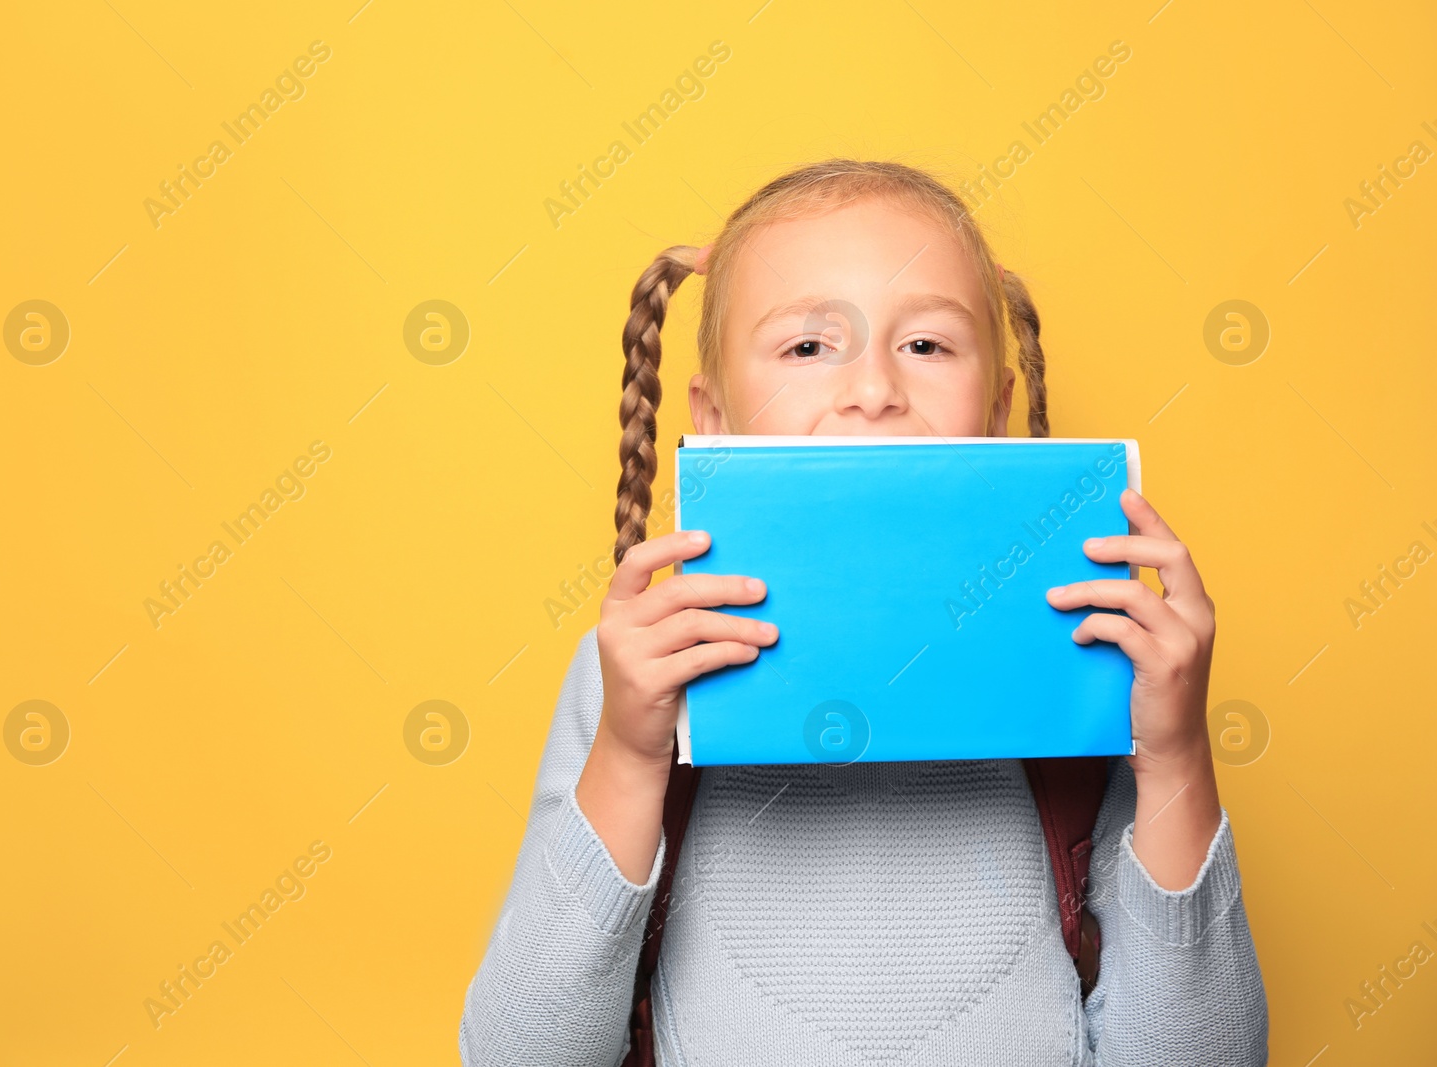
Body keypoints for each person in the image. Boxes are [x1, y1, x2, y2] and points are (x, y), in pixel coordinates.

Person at [459, 158, 1267, 1066]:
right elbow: (517, 1055)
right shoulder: (641, 673)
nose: (875, 389)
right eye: (808, 347)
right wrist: (627, 752)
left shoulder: (1092, 655)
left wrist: (1178, 754)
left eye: (926, 345)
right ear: (713, 419)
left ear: (995, 415)